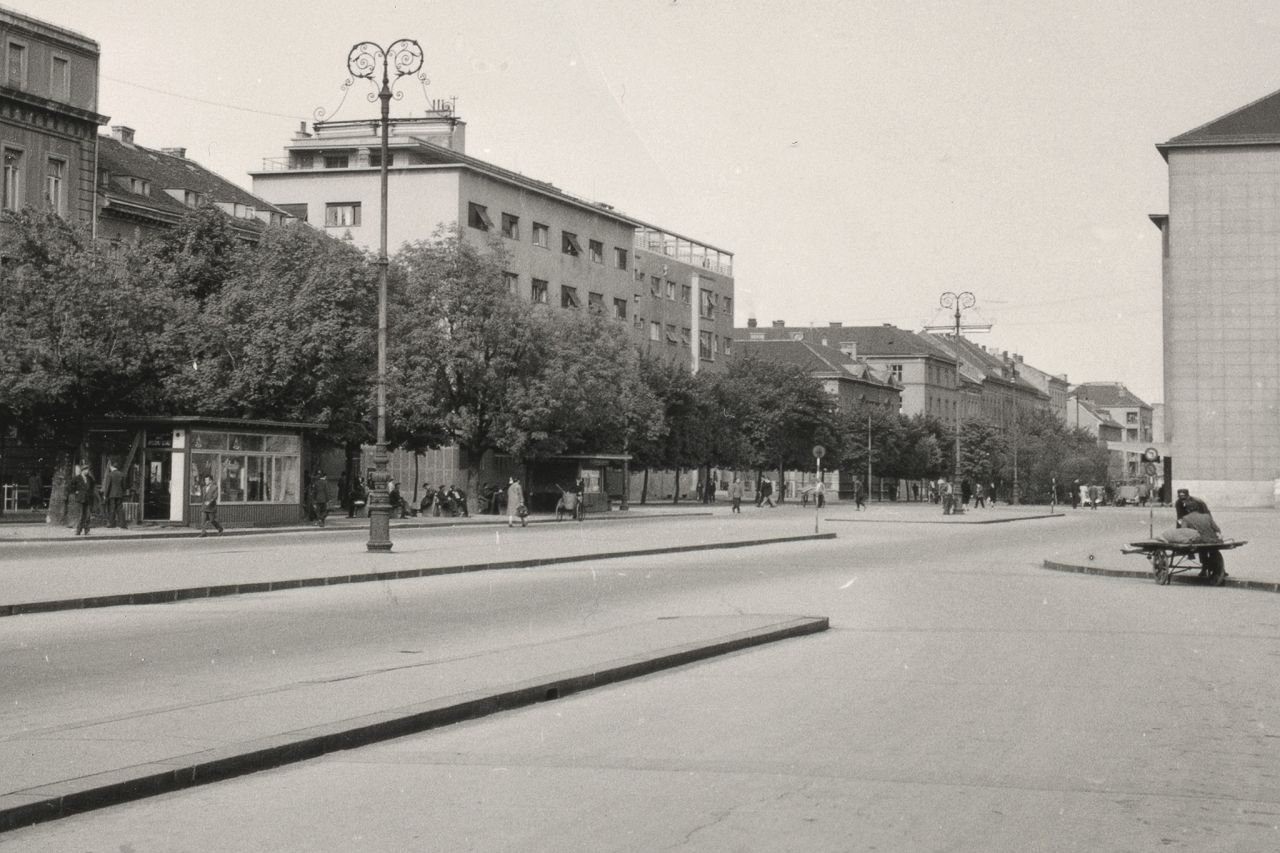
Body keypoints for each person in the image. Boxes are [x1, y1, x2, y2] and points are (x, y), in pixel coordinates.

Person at [71, 462, 96, 536]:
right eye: (85, 470)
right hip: (80, 498)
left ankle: (87, 530)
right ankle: (78, 530)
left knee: (88, 515)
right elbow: (70, 486)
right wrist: (76, 491)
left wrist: (91, 494)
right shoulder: (77, 478)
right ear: (82, 470)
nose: (87, 471)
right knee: (81, 515)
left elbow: (92, 486)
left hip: (88, 499)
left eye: (88, 470)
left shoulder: (90, 478)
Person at [103, 460, 128, 529]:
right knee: (120, 508)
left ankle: (111, 523)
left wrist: (105, 495)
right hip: (119, 494)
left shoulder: (110, 475)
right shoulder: (122, 474)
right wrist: (122, 493)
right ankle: (123, 524)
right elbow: (124, 486)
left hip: (112, 495)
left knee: (112, 508)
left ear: (111, 467)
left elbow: (108, 486)